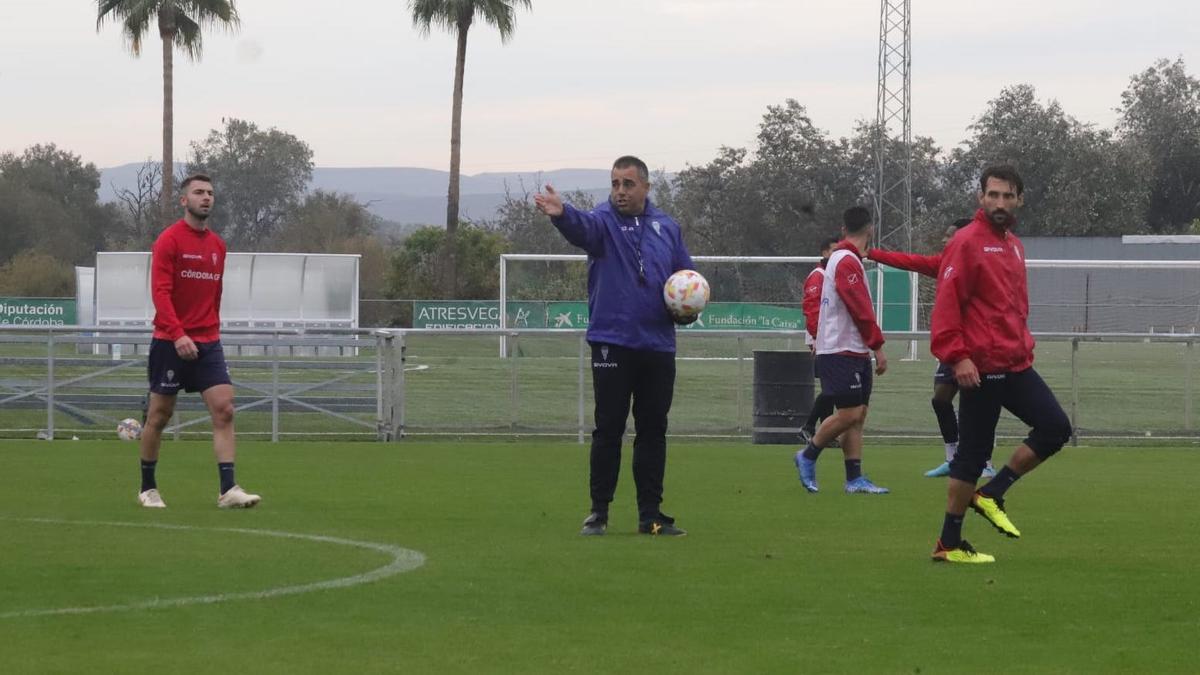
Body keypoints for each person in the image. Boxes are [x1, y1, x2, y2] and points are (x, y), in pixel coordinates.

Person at [534, 155, 694, 536]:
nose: (620, 191)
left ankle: (650, 515)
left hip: (657, 345)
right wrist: (561, 214)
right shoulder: (602, 222)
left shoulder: (667, 228)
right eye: (615, 184)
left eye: (628, 184)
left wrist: (688, 310)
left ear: (645, 187)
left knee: (653, 429)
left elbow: (686, 281)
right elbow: (582, 228)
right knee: (608, 428)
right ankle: (598, 512)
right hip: (612, 342)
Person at [929, 165, 1072, 563]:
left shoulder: (1013, 244)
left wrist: (1023, 346)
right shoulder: (966, 242)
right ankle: (948, 544)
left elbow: (1010, 308)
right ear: (980, 197)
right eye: (993, 195)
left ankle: (992, 493)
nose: (999, 203)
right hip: (981, 366)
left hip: (1014, 362)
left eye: (1008, 196)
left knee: (1056, 427)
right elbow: (946, 306)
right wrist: (957, 357)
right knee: (972, 456)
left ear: (1019, 200)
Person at [136, 173, 261, 510]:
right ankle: (148, 488)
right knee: (159, 416)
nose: (206, 198)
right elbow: (160, 293)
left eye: (210, 193)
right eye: (198, 192)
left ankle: (228, 489)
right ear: (184, 200)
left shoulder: (218, 246)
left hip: (208, 342)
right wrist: (178, 335)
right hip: (169, 341)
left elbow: (214, 296)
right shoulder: (169, 240)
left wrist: (210, 333)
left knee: (225, 409)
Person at [865, 220, 996, 479]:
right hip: (953, 347)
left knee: (978, 405)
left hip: (978, 347)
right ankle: (952, 457)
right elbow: (909, 261)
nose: (944, 241)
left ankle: (985, 462)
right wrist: (872, 253)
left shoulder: (982, 267)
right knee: (940, 400)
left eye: (949, 236)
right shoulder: (944, 264)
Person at [793, 207, 890, 495]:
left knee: (858, 416)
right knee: (848, 414)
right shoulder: (845, 259)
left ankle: (854, 478)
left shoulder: (849, 259)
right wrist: (879, 346)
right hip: (840, 348)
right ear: (870, 229)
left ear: (844, 229)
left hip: (854, 349)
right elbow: (859, 307)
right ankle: (807, 455)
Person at [800, 237, 840, 443]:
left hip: (828, 336)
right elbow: (811, 308)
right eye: (834, 250)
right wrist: (816, 337)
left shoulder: (831, 274)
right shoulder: (818, 276)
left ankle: (825, 433)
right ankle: (809, 426)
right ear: (824, 252)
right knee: (831, 388)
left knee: (830, 388)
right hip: (821, 337)